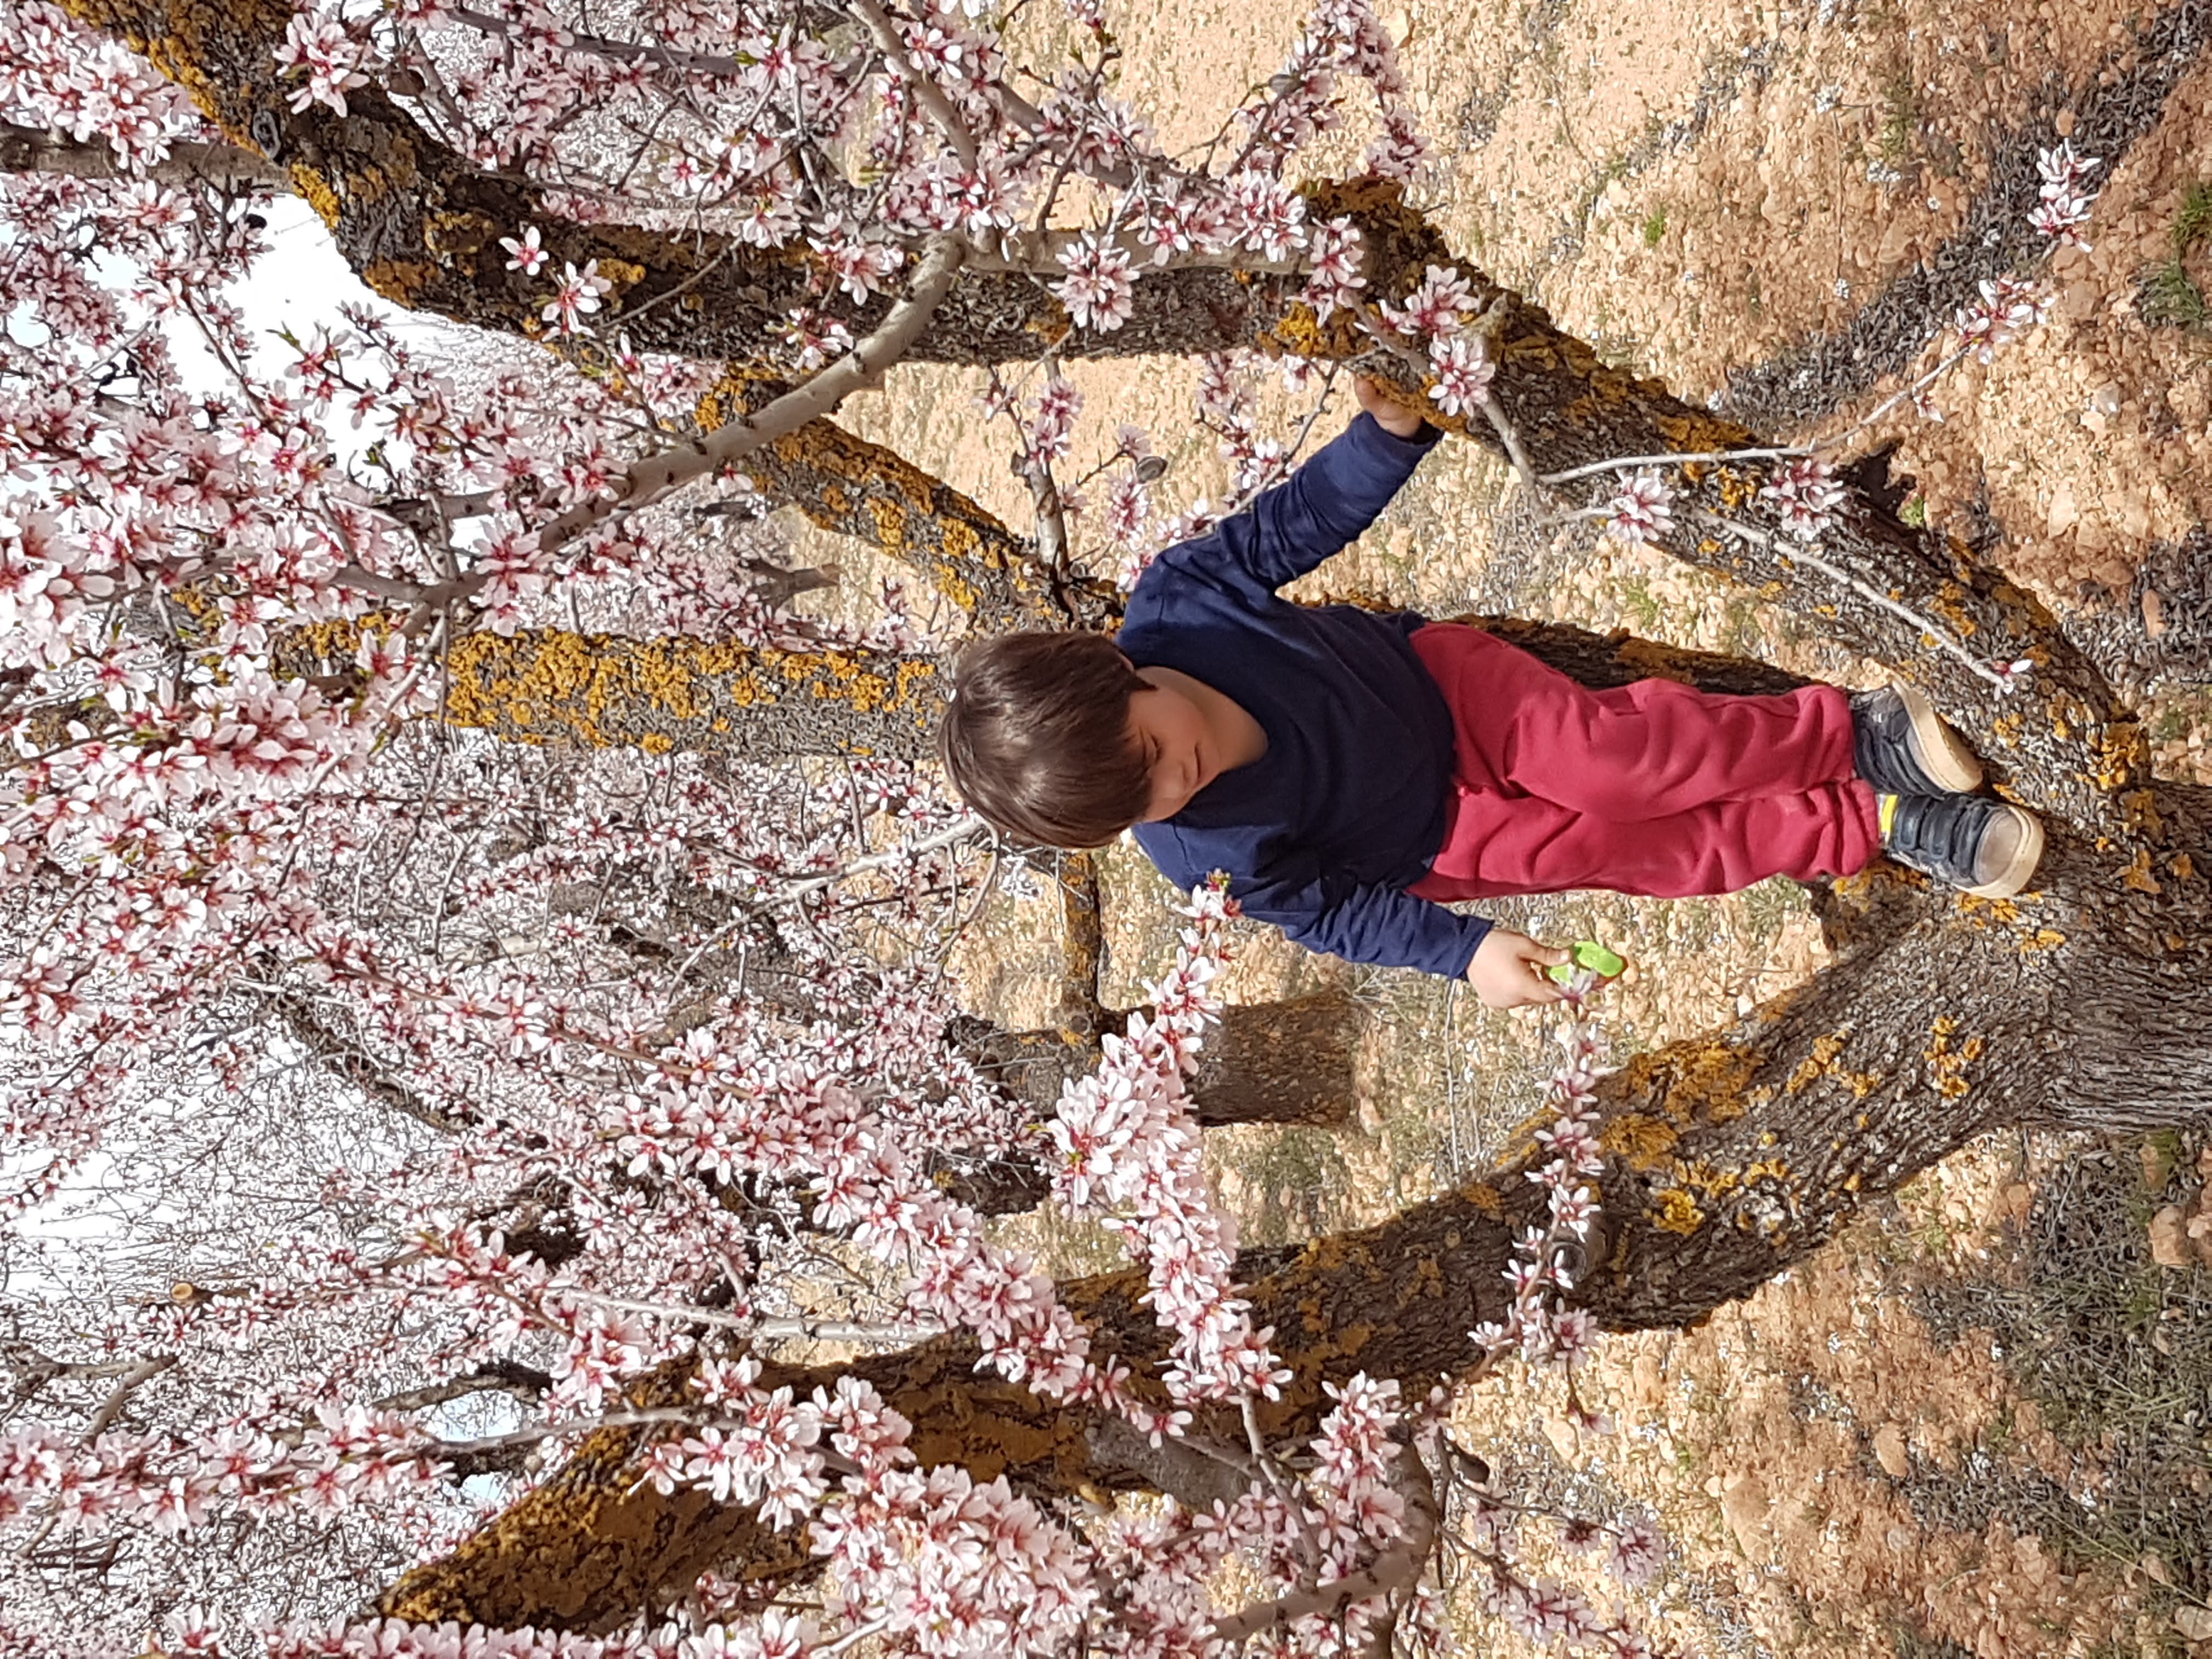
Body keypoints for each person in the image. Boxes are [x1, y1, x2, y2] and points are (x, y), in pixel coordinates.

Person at [938, 380, 2043, 1009]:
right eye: (1143, 801)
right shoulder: (1203, 855)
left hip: (1444, 693)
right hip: (1446, 836)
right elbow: (1337, 915)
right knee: (1635, 849)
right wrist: (1465, 954)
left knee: (1619, 759)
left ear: (1117, 668)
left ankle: (1851, 735)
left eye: (1149, 747)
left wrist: (1389, 436)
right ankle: (1874, 822)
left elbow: (1297, 522)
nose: (1173, 779)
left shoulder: (1181, 606)